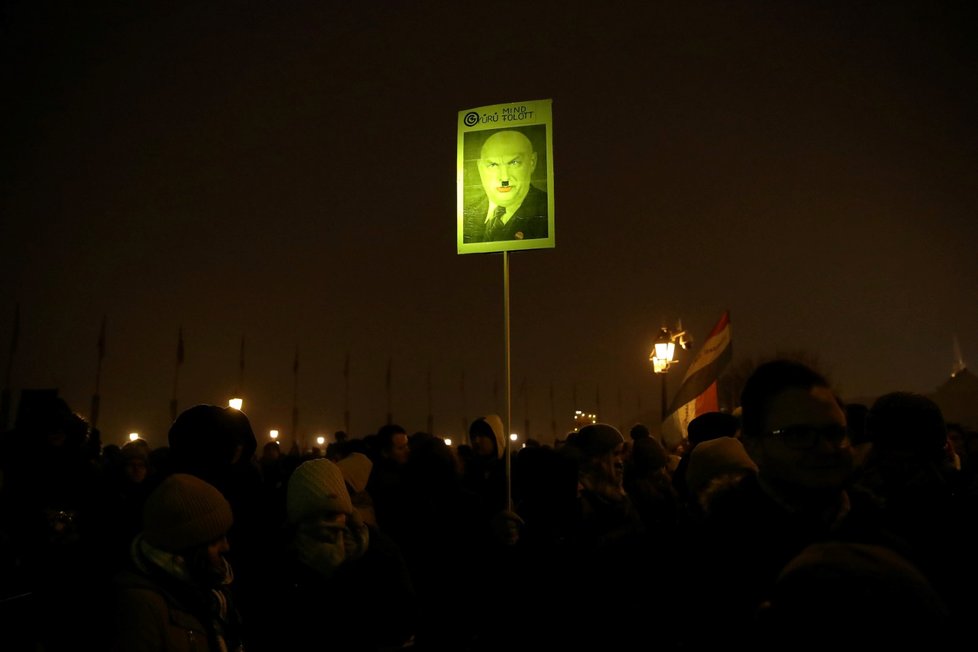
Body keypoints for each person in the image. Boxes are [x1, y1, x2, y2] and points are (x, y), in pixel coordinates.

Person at [108, 473, 245, 652]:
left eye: (225, 535)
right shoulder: (140, 607)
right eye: (214, 540)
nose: (226, 546)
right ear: (184, 546)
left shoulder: (208, 587)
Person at [463, 129, 548, 243]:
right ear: (480, 167)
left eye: (514, 163)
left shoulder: (549, 213)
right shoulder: (465, 216)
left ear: (532, 162)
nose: (504, 178)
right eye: (493, 165)